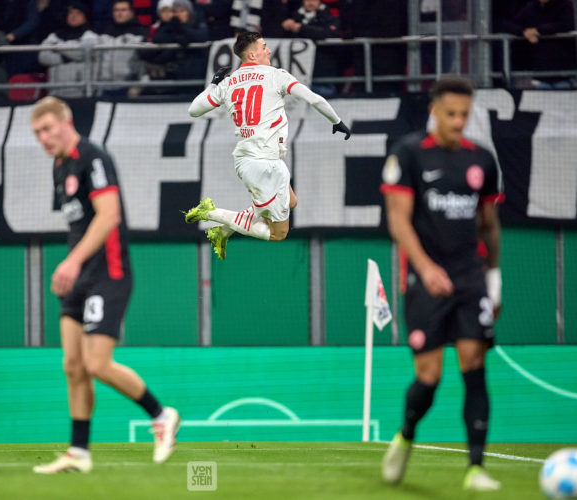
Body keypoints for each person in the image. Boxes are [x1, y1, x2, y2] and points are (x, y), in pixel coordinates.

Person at [30, 96, 180, 474]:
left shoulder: (92, 156)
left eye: (47, 129)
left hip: (108, 274)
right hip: (78, 278)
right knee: (73, 365)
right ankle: (79, 452)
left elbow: (109, 215)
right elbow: (79, 224)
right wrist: (73, 266)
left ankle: (161, 416)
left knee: (97, 363)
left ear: (66, 122)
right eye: (36, 133)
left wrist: (73, 261)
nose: (43, 138)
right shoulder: (58, 167)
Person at [379, 76, 504, 491]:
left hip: (470, 277)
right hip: (423, 279)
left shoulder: (482, 160)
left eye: (464, 115)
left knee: (474, 365)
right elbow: (398, 220)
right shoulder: (409, 154)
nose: (458, 121)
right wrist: (425, 267)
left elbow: (489, 225)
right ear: (434, 111)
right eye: (451, 114)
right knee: (429, 377)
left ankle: (475, 468)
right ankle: (406, 434)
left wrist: (495, 277)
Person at [183, 31, 351, 260]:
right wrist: (336, 121)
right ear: (252, 54)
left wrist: (213, 85)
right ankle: (213, 214)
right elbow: (314, 99)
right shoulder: (277, 75)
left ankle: (224, 230)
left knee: (292, 201)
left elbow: (194, 110)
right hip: (264, 165)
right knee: (278, 234)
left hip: (252, 159)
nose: (268, 50)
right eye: (264, 46)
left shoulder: (229, 82)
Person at [499, 0, 576, 89]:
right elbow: (509, 25)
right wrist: (524, 32)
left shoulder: (565, 4)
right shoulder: (532, 7)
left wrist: (538, 31)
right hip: (541, 75)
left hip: (565, 75)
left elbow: (567, 24)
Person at [38, 0, 99, 99]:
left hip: (81, 93)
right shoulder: (53, 36)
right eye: (71, 13)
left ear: (85, 17)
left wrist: (57, 47)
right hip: (55, 92)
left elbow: (81, 53)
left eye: (78, 13)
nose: (73, 16)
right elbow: (43, 57)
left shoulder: (91, 36)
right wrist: (65, 58)